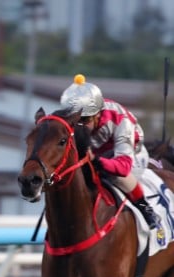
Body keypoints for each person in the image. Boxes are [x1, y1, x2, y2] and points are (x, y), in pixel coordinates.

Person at [60, 73, 160, 230]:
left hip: (130, 155)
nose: (78, 127)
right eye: (75, 121)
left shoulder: (120, 121)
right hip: (97, 154)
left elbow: (123, 167)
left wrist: (96, 161)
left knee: (117, 177)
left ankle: (145, 207)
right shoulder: (78, 122)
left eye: (85, 120)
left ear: (97, 114)